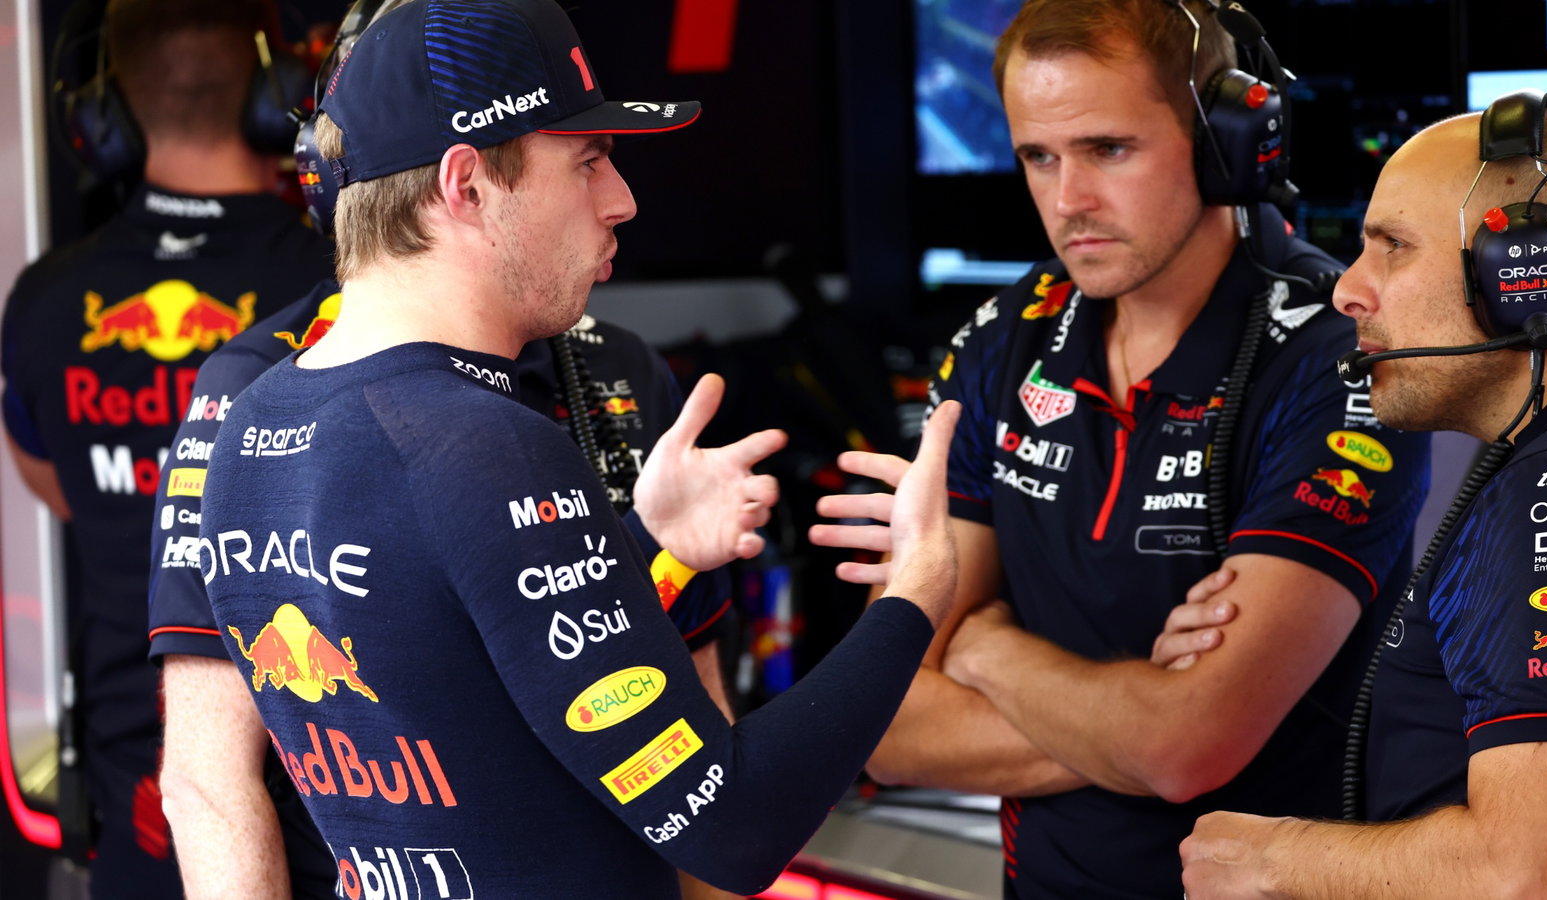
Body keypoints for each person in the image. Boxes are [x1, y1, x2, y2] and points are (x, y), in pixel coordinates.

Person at [194, 0, 960, 895]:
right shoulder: (487, 445)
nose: (622, 199)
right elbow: (732, 824)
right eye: (588, 161)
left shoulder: (249, 423)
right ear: (466, 185)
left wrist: (650, 548)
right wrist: (914, 594)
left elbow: (462, 691)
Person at [850, 1, 1430, 896]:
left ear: (1227, 146)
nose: (1067, 201)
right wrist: (1142, 719)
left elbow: (1187, 747)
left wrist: (984, 649)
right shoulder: (1002, 337)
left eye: (1108, 149)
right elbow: (880, 723)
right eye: (1038, 157)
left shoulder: (1341, 361)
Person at [152, 285, 744, 899]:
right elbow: (209, 780)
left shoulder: (617, 365)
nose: (618, 225)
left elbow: (696, 715)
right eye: (586, 183)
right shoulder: (257, 381)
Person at [1174, 99, 1547, 899]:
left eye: (1393, 247)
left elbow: (1536, 873)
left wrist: (1271, 860)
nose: (1349, 291)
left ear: (1528, 270)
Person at [0, 1, 332, 894]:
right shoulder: (339, 279)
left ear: (102, 111)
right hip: (327, 776)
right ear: (277, 93)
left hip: (138, 785)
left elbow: (57, 486)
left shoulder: (44, 300)